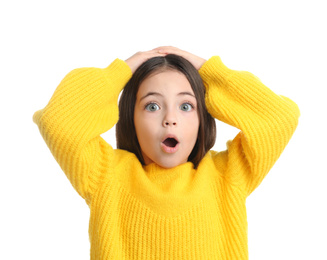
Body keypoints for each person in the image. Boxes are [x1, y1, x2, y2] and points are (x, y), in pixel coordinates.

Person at [33, 46, 300, 259]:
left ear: (202, 118)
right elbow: (57, 121)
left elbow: (279, 118)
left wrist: (210, 71)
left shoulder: (227, 175)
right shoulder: (105, 174)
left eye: (186, 106)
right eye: (152, 106)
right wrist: (120, 71)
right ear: (131, 117)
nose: (170, 118)